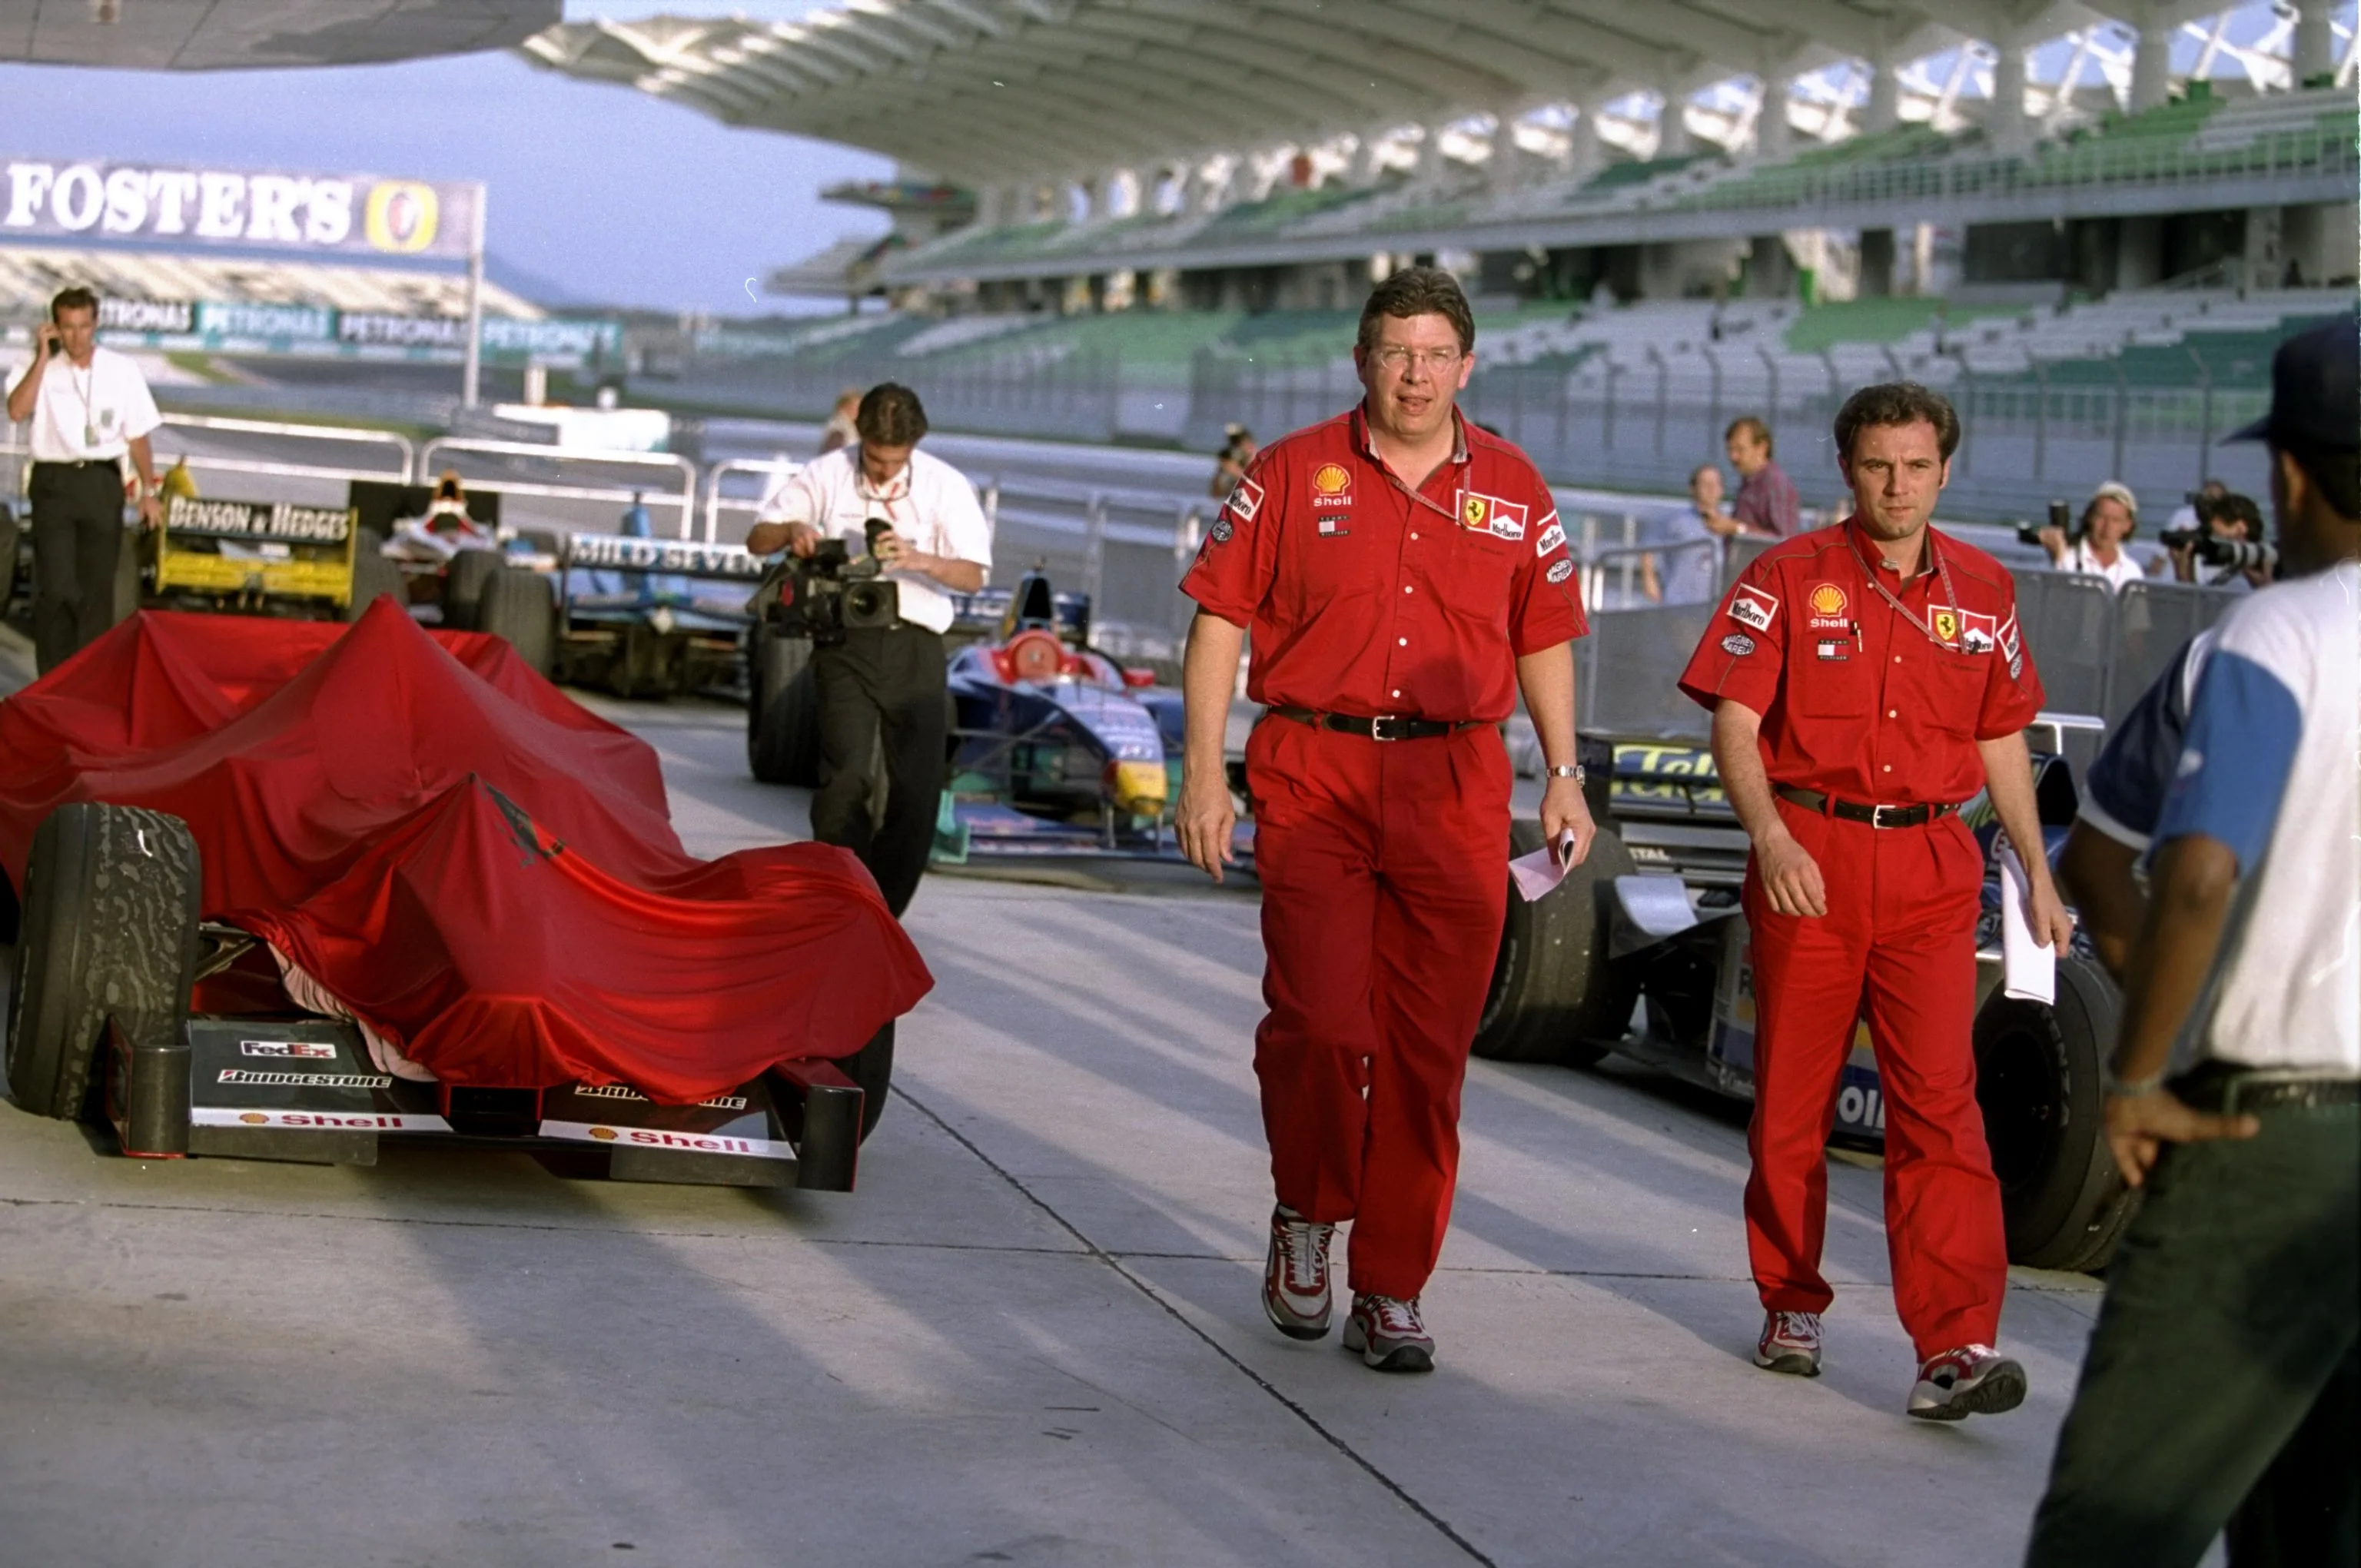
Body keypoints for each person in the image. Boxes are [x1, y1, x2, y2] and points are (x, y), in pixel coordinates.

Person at [1173, 267, 1592, 1374]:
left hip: (1455, 790)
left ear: (1468, 366)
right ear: (1361, 360)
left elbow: (1544, 629)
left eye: (1435, 354)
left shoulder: (1514, 485)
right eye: (1395, 352)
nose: (1415, 374)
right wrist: (1203, 775)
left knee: (1425, 1054)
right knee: (1320, 1020)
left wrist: (1563, 771)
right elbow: (1219, 618)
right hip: (1315, 775)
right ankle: (1307, 1212)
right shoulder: (1289, 471)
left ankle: (1394, 1284)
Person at [2027, 315, 2359, 1568]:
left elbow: (2178, 868)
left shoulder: (2272, 634)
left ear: (2285, 474)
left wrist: (2138, 1075)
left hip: (2272, 1134)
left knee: (2114, 1525)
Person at [1677, 381, 2074, 1420]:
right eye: (1875, 466)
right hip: (1811, 860)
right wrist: (1768, 835)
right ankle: (1791, 1301)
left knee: (1942, 1108)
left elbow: (2002, 738)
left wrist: (2035, 868)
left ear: (1945, 470)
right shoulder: (1785, 572)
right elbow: (1734, 714)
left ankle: (1953, 1345)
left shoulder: (1987, 591)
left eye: (1914, 466)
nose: (1896, 486)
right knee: (1792, 1110)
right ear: (1847, 472)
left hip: (1935, 872)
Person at [745, 383, 991, 917]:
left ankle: (882, 910)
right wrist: (792, 529)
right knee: (844, 778)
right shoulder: (829, 471)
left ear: (915, 447)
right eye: (875, 460)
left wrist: (918, 559)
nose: (881, 473)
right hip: (844, 640)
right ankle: (842, 900)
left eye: (894, 463)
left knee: (917, 789)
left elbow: (973, 575)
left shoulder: (945, 485)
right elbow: (756, 539)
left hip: (916, 641)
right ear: (862, 441)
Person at [5, 286, 162, 672]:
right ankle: (53, 679)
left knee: (96, 592)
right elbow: (16, 411)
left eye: (83, 327)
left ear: (95, 325)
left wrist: (148, 491)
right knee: (57, 587)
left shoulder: (121, 369)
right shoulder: (35, 365)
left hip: (101, 481)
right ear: (55, 327)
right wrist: (43, 358)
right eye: (68, 328)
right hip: (54, 482)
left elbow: (137, 434)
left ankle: (86, 680)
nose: (76, 337)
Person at [1642, 462, 1742, 604]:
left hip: (1715, 605)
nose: (1711, 489)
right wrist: (1649, 580)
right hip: (1680, 603)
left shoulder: (1729, 523)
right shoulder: (1677, 521)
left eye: (1716, 484)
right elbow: (1648, 543)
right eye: (1706, 484)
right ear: (1693, 489)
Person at [2040, 480, 2153, 593]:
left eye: (2116, 520)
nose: (2107, 527)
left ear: (2127, 526)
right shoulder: (2065, 555)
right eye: (2101, 517)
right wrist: (2058, 559)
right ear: (2090, 517)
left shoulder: (2132, 572)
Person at [2167, 490, 2271, 592]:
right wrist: (2182, 569)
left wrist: (2245, 564)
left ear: (2240, 528)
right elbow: (2197, 602)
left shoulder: (2265, 560)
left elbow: (2267, 592)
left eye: (2220, 537)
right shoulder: (2222, 568)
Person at [1725, 415, 1799, 537]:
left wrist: (1738, 529)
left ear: (1762, 448)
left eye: (1740, 449)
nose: (1733, 457)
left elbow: (1784, 540)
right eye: (1730, 450)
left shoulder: (1775, 484)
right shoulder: (1749, 482)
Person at [1210, 423, 1257, 500]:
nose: (1236, 444)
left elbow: (1252, 480)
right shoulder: (1228, 456)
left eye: (1238, 440)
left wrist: (1234, 469)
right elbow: (1216, 488)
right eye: (1233, 441)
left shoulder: (1253, 455)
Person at [818, 387, 862, 455]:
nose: (859, 411)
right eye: (856, 407)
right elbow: (831, 455)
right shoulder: (839, 430)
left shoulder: (851, 427)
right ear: (842, 407)